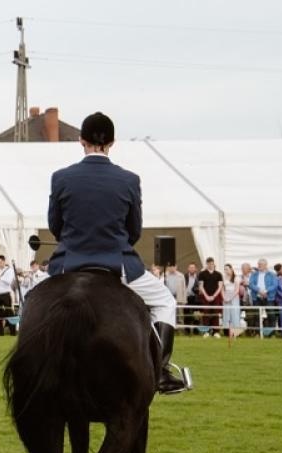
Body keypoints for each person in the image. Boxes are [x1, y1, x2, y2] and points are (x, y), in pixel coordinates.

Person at [46, 112, 187, 394]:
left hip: (68, 265)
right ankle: (160, 372)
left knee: (30, 301)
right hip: (117, 266)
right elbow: (133, 230)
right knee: (165, 302)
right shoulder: (129, 180)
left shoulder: (61, 177)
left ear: (81, 140)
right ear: (112, 142)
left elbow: (55, 227)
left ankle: (29, 367)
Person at [221, 264, 244, 337]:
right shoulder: (223, 278)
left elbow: (237, 290)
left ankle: (236, 332)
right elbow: (222, 289)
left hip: (234, 297)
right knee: (226, 314)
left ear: (231, 269)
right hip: (226, 296)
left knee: (234, 314)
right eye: (225, 269)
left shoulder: (236, 278)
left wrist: (230, 298)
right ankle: (226, 331)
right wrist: (224, 297)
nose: (226, 271)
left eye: (227, 269)